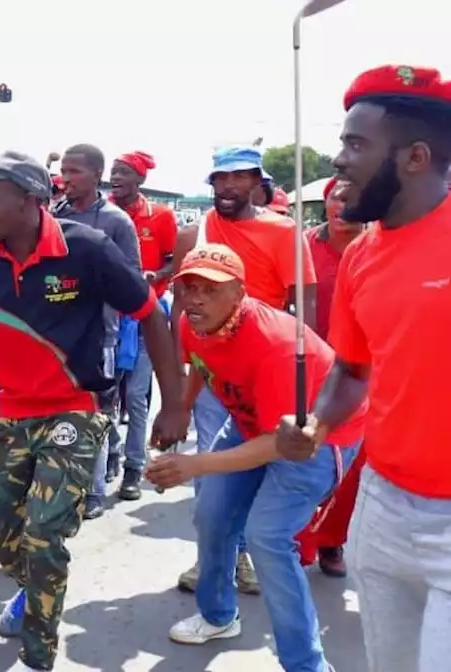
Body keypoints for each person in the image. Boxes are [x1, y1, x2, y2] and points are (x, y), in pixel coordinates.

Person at [0, 151, 189, 672]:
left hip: (76, 408)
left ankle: (39, 652)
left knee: (43, 536)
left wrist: (173, 405)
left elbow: (152, 315)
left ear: (29, 200)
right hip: (14, 412)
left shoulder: (87, 248)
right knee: (0, 534)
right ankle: (35, 586)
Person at [275, 64, 451, 672]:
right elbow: (352, 372)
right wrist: (317, 426)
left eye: (356, 144)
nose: (339, 159)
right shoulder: (361, 257)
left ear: (416, 157)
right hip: (384, 508)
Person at [146, 244, 363, 672]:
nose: (195, 298)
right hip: (252, 425)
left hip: (317, 438)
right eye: (188, 287)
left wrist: (194, 464)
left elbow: (279, 444)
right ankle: (218, 616)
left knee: (267, 538)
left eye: (210, 288)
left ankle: (306, 664)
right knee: (211, 513)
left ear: (239, 293)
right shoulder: (194, 323)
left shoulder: (276, 344)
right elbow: (200, 365)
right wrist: (183, 408)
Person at [168, 145, 317, 594]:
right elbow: (182, 302)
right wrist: (180, 387)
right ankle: (213, 558)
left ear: (257, 182)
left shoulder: (284, 232)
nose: (228, 186)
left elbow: (304, 303)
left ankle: (249, 553)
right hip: (211, 367)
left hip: (267, 367)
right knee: (209, 467)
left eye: (239, 177)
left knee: (260, 464)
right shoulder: (196, 233)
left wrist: (299, 366)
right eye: (220, 178)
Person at [53, 143, 141, 519]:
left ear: (96, 175)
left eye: (74, 171)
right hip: (55, 333)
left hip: (99, 335)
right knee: (61, 412)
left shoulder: (117, 222)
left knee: (96, 412)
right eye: (63, 171)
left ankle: (94, 492)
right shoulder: (54, 216)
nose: (65, 178)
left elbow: (133, 281)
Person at [293, 177, 368, 577]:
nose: (344, 205)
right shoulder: (302, 245)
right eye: (337, 197)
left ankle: (332, 541)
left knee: (350, 466)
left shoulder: (378, 250)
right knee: (306, 457)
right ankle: (299, 541)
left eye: (353, 196)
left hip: (362, 372)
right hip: (311, 366)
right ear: (325, 204)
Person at [108, 151, 178, 501]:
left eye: (122, 173)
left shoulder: (161, 216)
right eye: (113, 171)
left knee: (135, 396)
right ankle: (108, 455)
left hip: (147, 316)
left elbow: (173, 262)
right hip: (106, 317)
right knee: (105, 394)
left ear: (140, 180)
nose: (115, 177)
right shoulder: (103, 214)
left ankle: (133, 468)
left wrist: (157, 276)